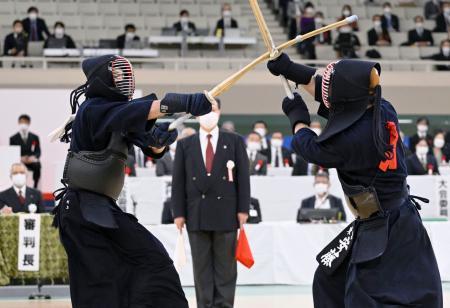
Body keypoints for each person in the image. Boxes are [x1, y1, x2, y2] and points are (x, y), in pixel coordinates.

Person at [267, 53, 442, 306]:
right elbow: (326, 94)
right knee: (329, 277)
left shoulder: (353, 139)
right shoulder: (382, 107)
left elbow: (310, 148)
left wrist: (298, 119)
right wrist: (290, 68)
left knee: (364, 295)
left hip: (386, 227)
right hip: (391, 219)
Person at [51, 54, 215, 307]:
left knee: (150, 259)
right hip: (82, 210)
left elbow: (150, 143)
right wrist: (182, 102)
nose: (122, 80)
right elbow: (134, 112)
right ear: (101, 80)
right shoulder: (92, 109)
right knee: (98, 285)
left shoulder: (119, 116)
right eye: (115, 75)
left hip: (99, 209)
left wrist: (159, 140)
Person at [171, 102, 250, 308]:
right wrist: (178, 212)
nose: (209, 115)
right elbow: (178, 181)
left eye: (213, 110)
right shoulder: (185, 144)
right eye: (204, 111)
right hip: (196, 214)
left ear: (219, 112)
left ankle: (224, 305)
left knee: (226, 269)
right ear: (196, 115)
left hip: (227, 214)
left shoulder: (234, 141)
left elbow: (243, 178)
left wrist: (243, 209)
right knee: (201, 269)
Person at [10, 114, 41, 188]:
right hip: (19, 161)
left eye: (25, 122)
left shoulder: (34, 137)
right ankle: (18, 186)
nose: (23, 124)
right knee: (14, 167)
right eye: (21, 122)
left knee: (37, 165)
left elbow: (38, 151)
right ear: (18, 123)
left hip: (31, 161)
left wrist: (33, 157)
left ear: (29, 123)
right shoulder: (13, 138)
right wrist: (20, 158)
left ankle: (35, 186)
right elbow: (12, 152)